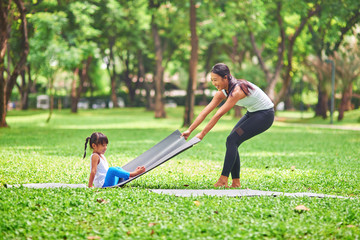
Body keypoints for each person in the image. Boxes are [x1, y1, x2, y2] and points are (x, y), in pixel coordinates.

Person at [181, 63, 274, 188]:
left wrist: (202, 134)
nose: (214, 83)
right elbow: (205, 111)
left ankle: (223, 180)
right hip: (252, 113)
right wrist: (189, 130)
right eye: (212, 80)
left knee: (232, 140)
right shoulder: (222, 92)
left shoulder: (237, 91)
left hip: (265, 116)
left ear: (225, 77)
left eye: (215, 80)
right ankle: (236, 183)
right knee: (232, 141)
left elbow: (218, 114)